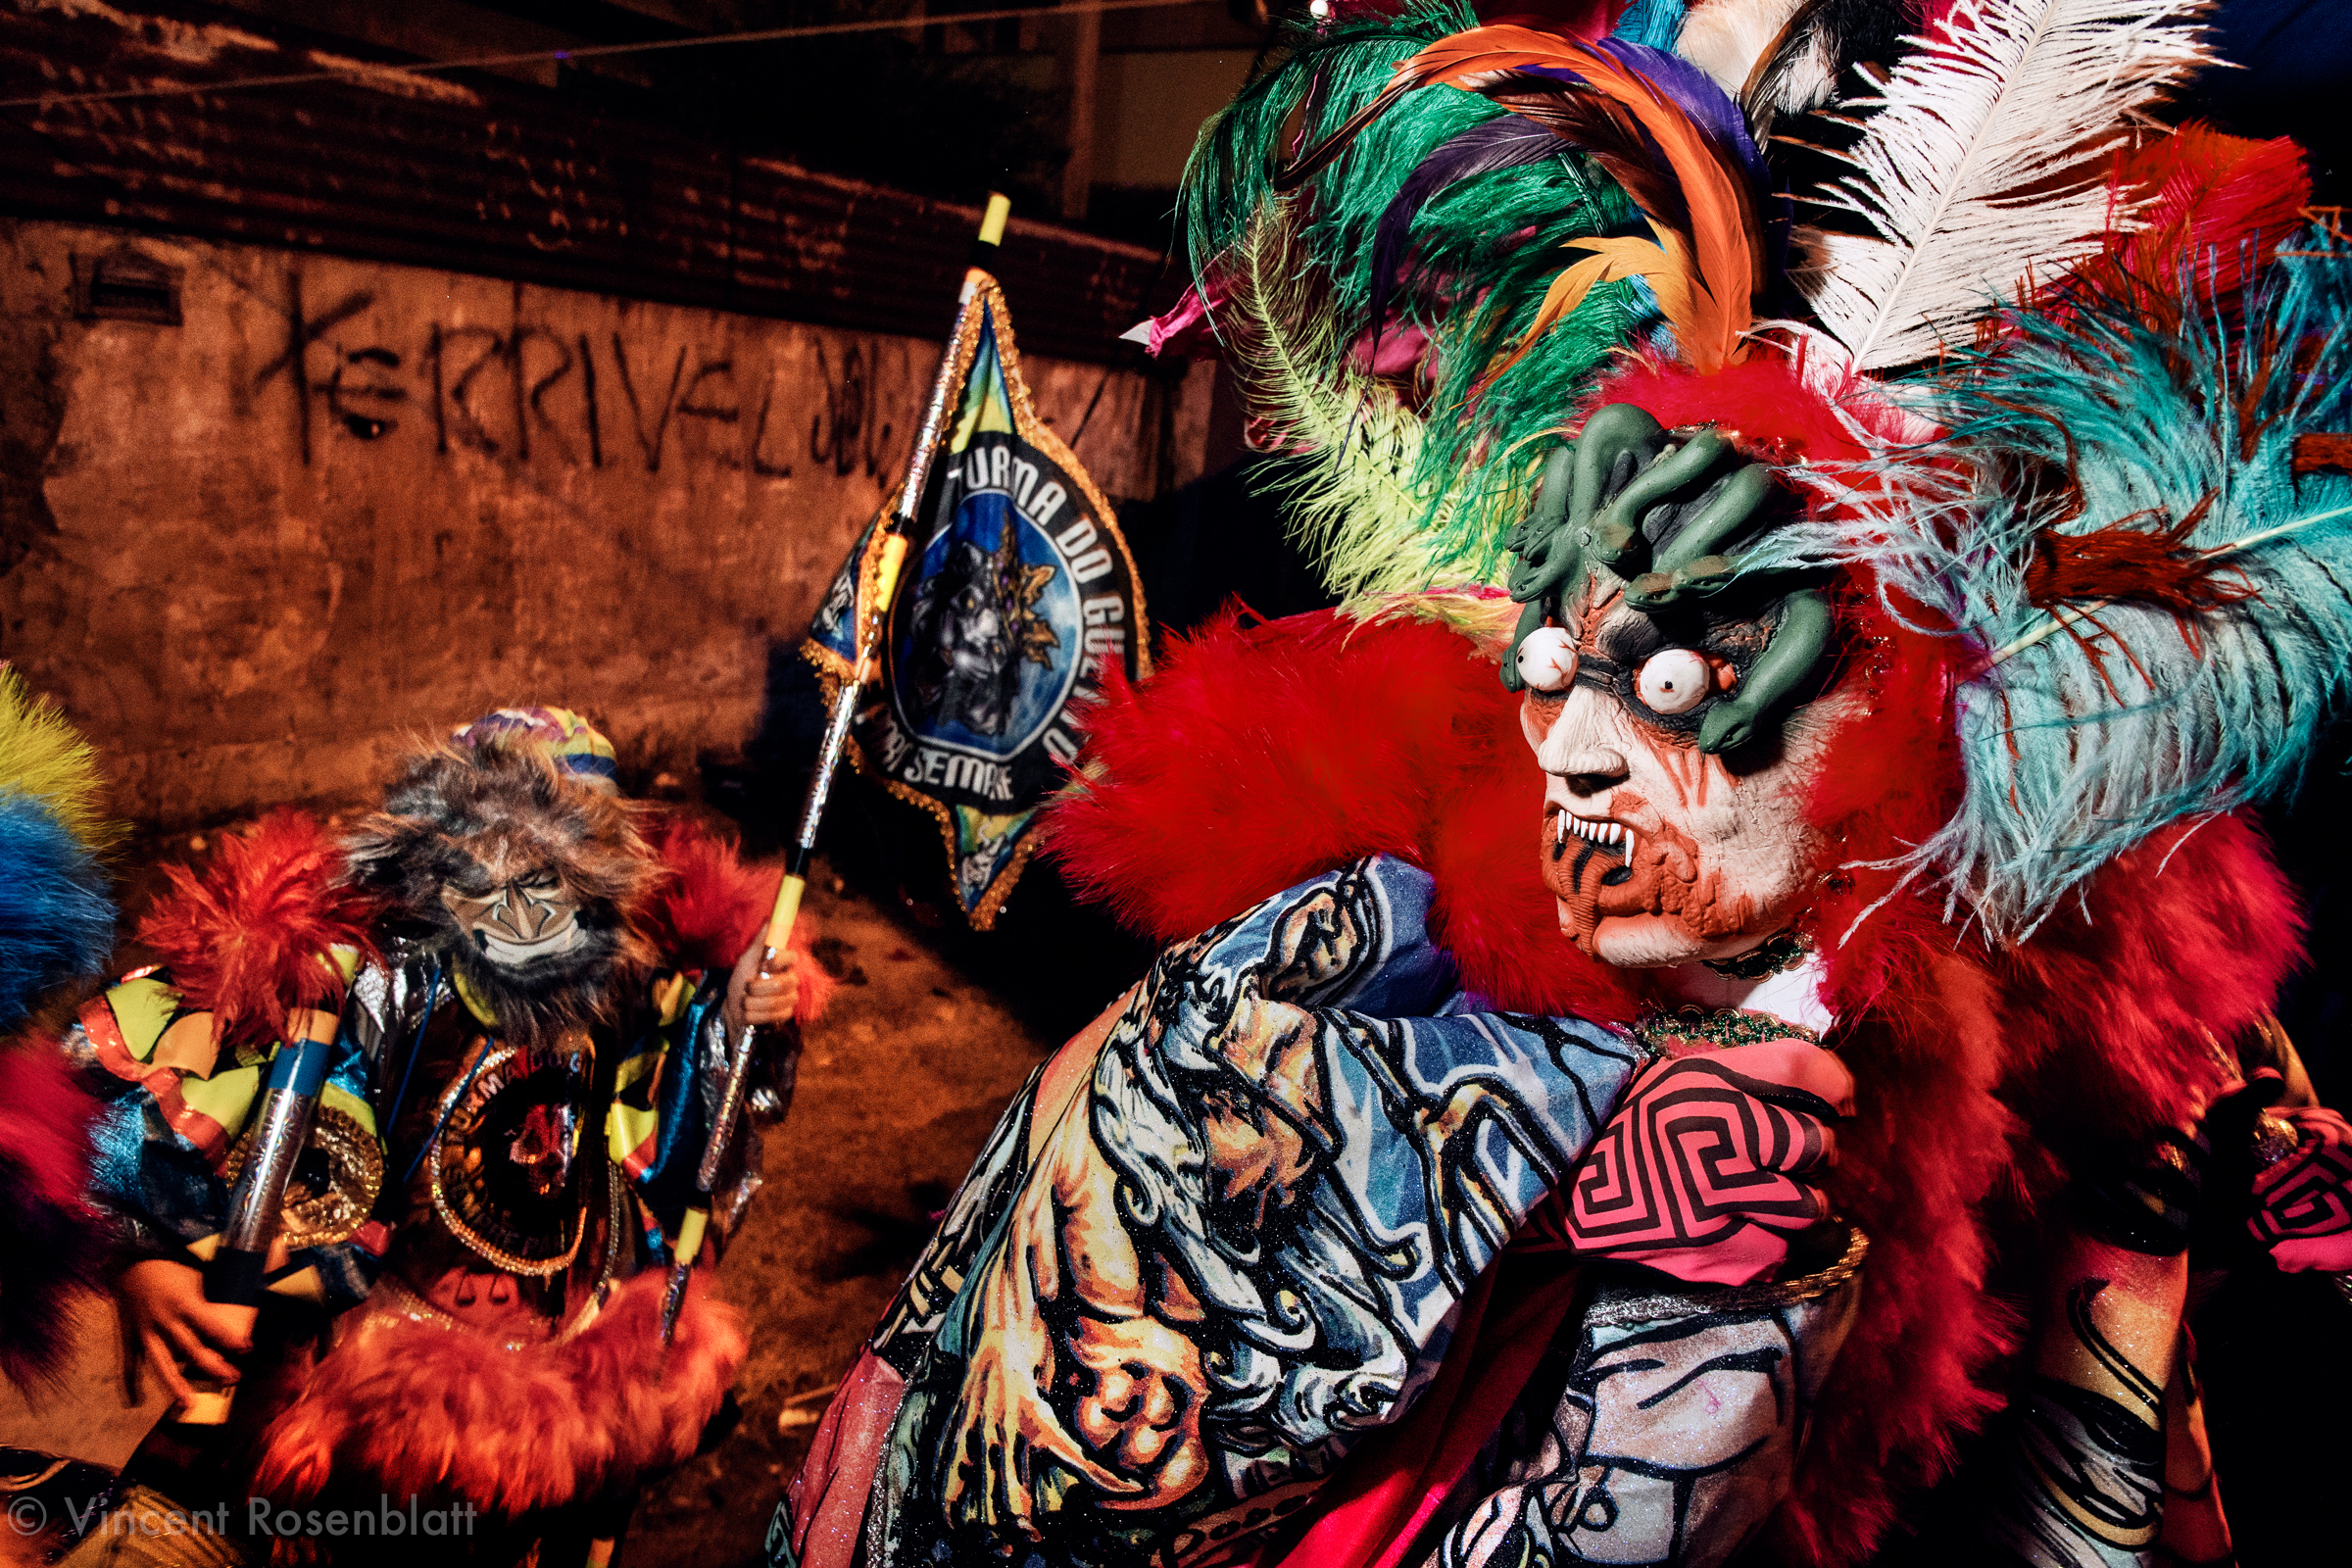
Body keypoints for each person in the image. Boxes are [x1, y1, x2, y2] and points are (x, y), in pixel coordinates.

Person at [773, 4, 2352, 1565]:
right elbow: (1067, 1295)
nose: (1585, 742)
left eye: (1674, 682)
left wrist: (2175, 1158)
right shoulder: (1390, 899)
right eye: (1554, 669)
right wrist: (1536, 1174)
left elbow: (2074, 1443)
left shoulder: (2030, 907)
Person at [63, 708, 824, 1565]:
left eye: (572, 869)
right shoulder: (383, 987)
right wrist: (141, 1255)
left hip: (557, 1367)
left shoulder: (615, 992)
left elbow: (665, 1141)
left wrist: (728, 1020)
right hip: (379, 1373)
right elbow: (195, 1087)